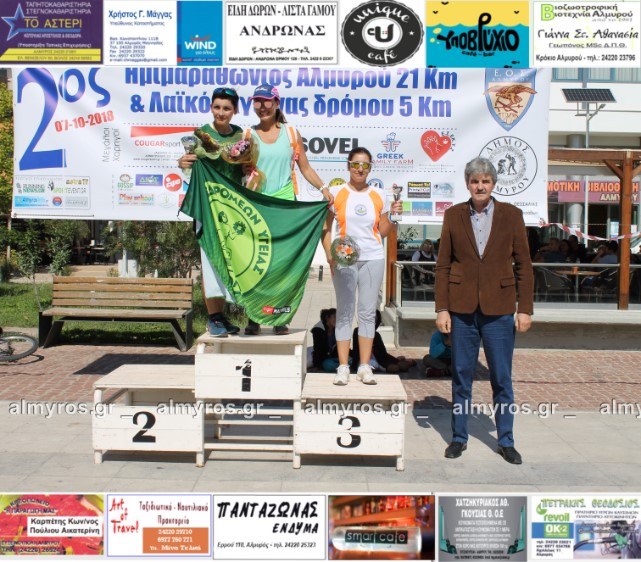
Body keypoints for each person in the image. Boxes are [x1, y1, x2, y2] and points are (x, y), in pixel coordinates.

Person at [435, 157, 534, 465]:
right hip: (461, 310)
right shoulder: (453, 215)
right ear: (468, 184)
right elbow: (442, 265)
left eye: (485, 181)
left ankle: (506, 441)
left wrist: (525, 309)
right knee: (461, 377)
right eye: (475, 181)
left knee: (502, 378)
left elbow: (524, 265)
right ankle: (458, 437)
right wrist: (442, 309)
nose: (480, 186)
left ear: (493, 184)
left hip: (499, 310)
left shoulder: (512, 215)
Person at [244, 83, 330, 336]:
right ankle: (253, 317)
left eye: (266, 101)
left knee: (280, 264)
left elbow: (305, 168)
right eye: (257, 101)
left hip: (284, 204)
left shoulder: (291, 133)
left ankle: (279, 316)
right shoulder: (247, 134)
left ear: (276, 103)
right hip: (255, 205)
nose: (262, 106)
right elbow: (238, 168)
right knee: (255, 262)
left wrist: (324, 188)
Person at [322, 147, 403, 386]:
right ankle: (343, 367)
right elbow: (325, 228)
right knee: (345, 312)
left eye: (365, 165)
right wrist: (329, 255)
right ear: (348, 165)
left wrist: (393, 217)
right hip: (344, 259)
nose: (360, 169)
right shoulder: (336, 192)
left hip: (373, 257)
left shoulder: (379, 194)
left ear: (370, 168)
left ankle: (365, 366)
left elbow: (382, 232)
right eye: (356, 164)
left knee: (367, 313)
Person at [178, 87, 245, 337]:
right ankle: (213, 318)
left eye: (226, 108)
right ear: (211, 108)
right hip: (208, 207)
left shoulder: (241, 135)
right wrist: (182, 162)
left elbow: (247, 166)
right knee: (210, 261)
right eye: (217, 107)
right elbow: (188, 165)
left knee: (230, 262)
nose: (221, 112)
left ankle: (223, 316)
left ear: (234, 110)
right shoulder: (200, 135)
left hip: (235, 208)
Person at [351, 310, 416, 374]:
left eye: (375, 321)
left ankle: (400, 362)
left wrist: (372, 349)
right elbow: (356, 351)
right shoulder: (357, 331)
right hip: (365, 360)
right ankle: (397, 362)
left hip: (379, 359)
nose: (373, 323)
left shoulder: (376, 335)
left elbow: (383, 353)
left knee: (401, 366)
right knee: (394, 367)